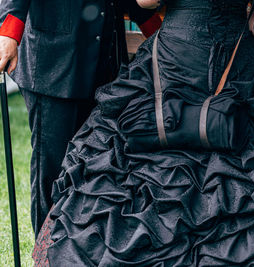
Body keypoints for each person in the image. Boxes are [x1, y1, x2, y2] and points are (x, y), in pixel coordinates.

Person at [35, 0, 254, 265]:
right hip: (240, 64)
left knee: (134, 160)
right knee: (242, 162)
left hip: (175, 58)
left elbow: (146, 1)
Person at [0, 0, 162, 237]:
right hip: (54, 65)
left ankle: (80, 248)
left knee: (98, 170)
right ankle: (47, 253)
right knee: (53, 172)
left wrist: (157, 31)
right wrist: (9, 33)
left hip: (105, 67)